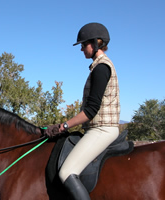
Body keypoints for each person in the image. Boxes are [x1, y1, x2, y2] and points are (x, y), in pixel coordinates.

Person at [43, 22, 120, 199]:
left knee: (66, 172)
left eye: (84, 45)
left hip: (102, 129)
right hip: (96, 128)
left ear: (95, 43)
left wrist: (63, 126)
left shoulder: (102, 68)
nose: (82, 49)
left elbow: (91, 110)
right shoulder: (97, 67)